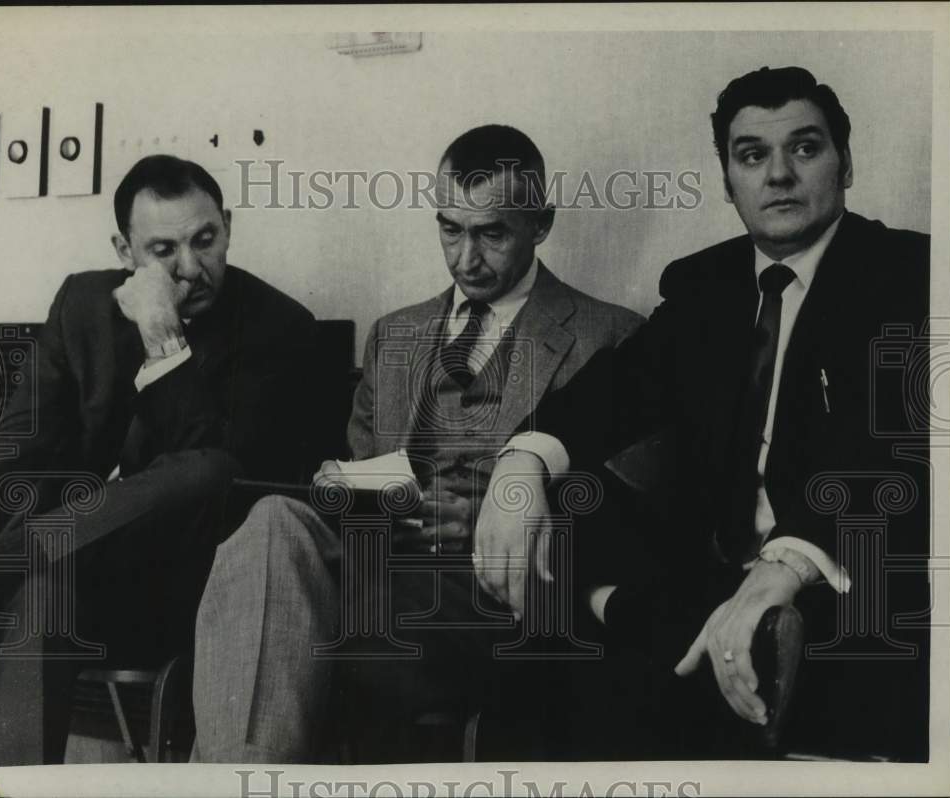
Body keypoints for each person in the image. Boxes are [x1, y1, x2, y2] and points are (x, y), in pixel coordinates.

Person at [475, 66, 931, 759]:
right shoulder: (705, 285)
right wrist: (521, 463)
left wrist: (785, 566)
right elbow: (608, 393)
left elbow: (886, 449)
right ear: (727, 181)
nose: (778, 174)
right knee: (567, 501)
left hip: (838, 565)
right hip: (709, 570)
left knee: (590, 636)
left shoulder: (908, 273)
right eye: (753, 156)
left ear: (847, 164)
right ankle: (724, 633)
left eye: (804, 149)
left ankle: (692, 626)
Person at [192, 124, 644, 762]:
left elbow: (627, 514)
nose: (466, 258)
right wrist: (341, 486)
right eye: (450, 230)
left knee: (309, 642)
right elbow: (362, 470)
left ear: (540, 223)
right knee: (271, 522)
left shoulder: (612, 338)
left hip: (493, 590)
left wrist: (487, 514)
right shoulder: (394, 334)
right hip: (380, 563)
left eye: (492, 233)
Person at [0, 154, 318, 765]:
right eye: (163, 250)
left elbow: (233, 487)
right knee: (50, 588)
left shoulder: (282, 329)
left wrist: (163, 336)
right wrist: (81, 529)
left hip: (190, 596)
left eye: (205, 240)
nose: (191, 268)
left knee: (212, 468)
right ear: (124, 249)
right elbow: (16, 467)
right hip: (75, 576)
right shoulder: (81, 304)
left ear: (229, 227)